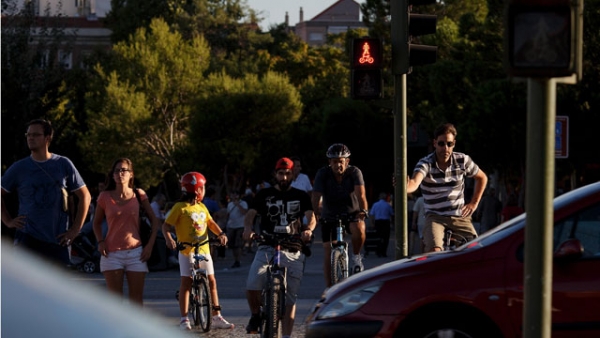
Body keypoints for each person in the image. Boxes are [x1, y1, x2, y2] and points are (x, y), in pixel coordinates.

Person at [1, 119, 91, 267]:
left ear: (47, 138)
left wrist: (75, 230)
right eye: (28, 135)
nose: (30, 138)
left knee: (56, 288)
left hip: (58, 239)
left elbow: (85, 196)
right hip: (27, 238)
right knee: (25, 287)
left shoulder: (63, 164)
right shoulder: (19, 168)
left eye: (35, 135)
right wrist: (8, 221)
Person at [242, 157, 316, 337]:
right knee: (252, 284)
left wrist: (308, 230)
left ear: (293, 174)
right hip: (267, 245)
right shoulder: (263, 194)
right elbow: (251, 214)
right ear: (275, 174)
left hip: (293, 247)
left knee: (291, 297)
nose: (284, 177)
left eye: (287, 173)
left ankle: (286, 336)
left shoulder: (301, 196)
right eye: (281, 173)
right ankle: (256, 315)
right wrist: (248, 229)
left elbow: (311, 216)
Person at [162, 172, 234, 331]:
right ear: (195, 190)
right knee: (186, 283)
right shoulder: (179, 207)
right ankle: (184, 318)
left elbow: (211, 222)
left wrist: (221, 234)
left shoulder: (202, 206)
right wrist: (170, 239)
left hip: (204, 249)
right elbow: (165, 226)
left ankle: (216, 316)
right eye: (202, 187)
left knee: (212, 281)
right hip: (186, 250)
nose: (204, 190)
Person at [407, 123, 488, 252]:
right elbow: (415, 182)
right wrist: (405, 187)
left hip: (459, 216)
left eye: (449, 144)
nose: (445, 148)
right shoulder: (426, 163)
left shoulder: (462, 160)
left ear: (454, 144)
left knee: (475, 250)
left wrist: (474, 203)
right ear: (434, 143)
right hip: (435, 217)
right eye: (441, 144)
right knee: (434, 251)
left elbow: (482, 177)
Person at [92, 158, 160, 305]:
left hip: (136, 253)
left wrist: (149, 246)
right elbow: (96, 223)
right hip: (111, 253)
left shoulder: (139, 194)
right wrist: (100, 241)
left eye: (124, 170)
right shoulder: (104, 196)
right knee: (115, 302)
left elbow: (155, 221)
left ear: (131, 174)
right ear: (112, 175)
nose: (120, 173)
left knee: (136, 301)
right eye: (116, 170)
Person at [311, 143, 369, 284]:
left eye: (341, 162)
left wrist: (363, 211)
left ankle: (356, 257)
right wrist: (315, 212)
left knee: (359, 228)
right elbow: (316, 195)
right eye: (335, 162)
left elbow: (361, 194)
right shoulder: (323, 173)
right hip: (329, 214)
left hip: (351, 212)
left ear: (347, 161)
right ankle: (329, 289)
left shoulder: (354, 172)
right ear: (329, 162)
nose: (338, 165)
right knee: (327, 251)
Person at [225, 189, 248, 268]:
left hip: (240, 226)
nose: (234, 196)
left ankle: (238, 260)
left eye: (236, 194)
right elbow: (228, 214)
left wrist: (238, 205)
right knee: (232, 245)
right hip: (231, 226)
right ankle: (235, 259)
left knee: (238, 244)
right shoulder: (230, 204)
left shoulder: (243, 203)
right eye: (233, 194)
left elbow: (244, 212)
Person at [369, 192, 394, 257]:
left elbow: (372, 214)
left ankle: (378, 251)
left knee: (378, 237)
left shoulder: (375, 204)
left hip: (378, 222)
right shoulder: (388, 205)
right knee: (386, 238)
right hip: (386, 222)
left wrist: (372, 223)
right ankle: (384, 252)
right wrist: (392, 223)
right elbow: (391, 214)